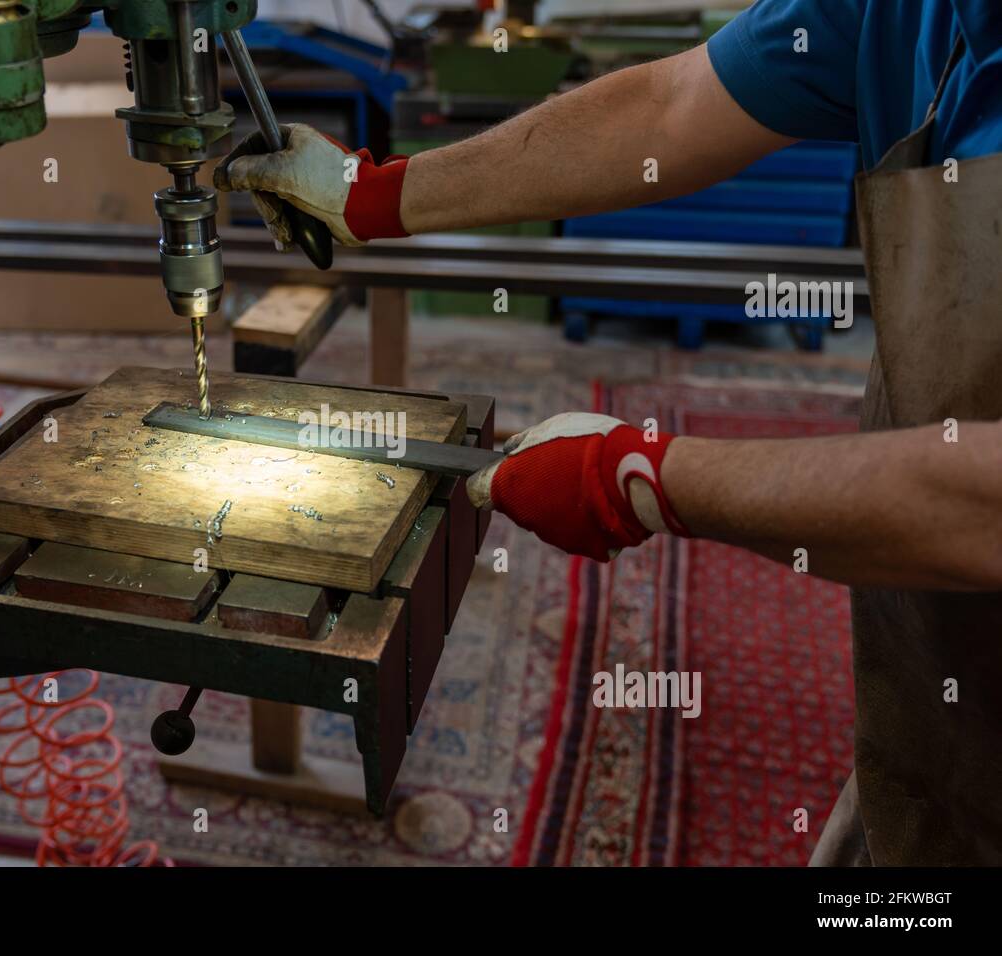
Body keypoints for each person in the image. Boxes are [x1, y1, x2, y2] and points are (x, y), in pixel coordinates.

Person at [214, 1, 1002, 866]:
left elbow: (985, 505)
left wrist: (639, 479)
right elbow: (669, 105)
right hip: (935, 688)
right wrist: (369, 196)